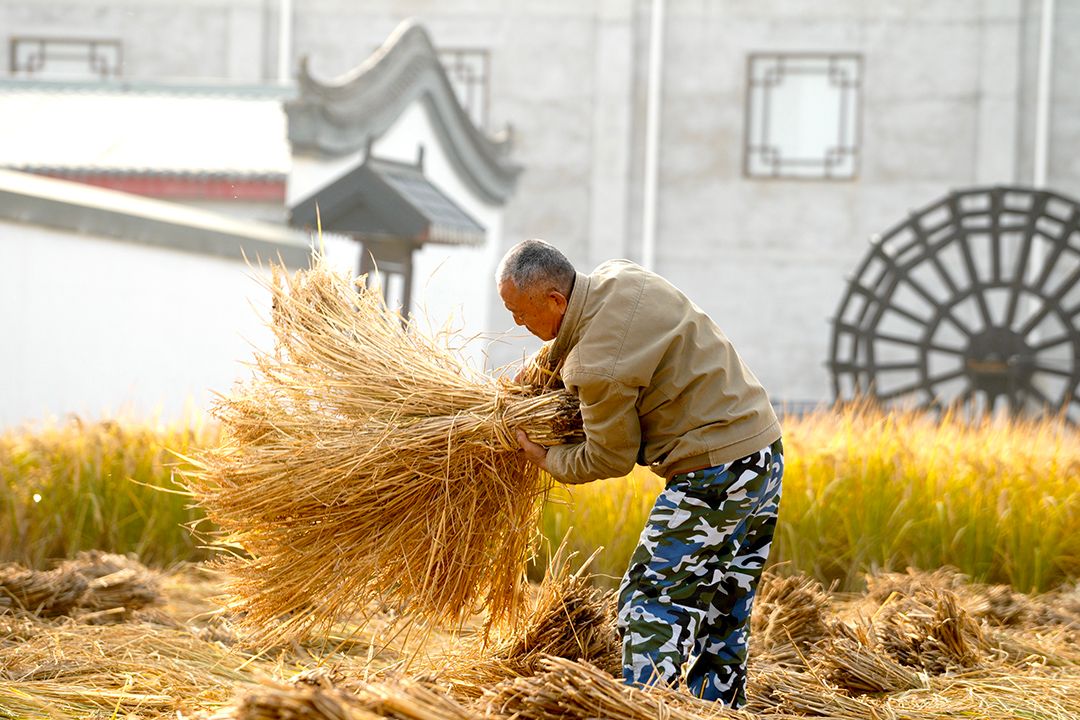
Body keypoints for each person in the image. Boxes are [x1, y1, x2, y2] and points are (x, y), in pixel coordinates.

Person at [497, 238, 783, 708]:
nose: (517, 324)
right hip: (763, 450)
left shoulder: (597, 367)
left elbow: (609, 457)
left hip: (717, 470)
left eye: (520, 313)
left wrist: (545, 458)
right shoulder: (618, 276)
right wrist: (530, 377)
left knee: (648, 598)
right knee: (723, 603)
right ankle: (718, 711)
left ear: (555, 300)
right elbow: (580, 337)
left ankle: (648, 709)